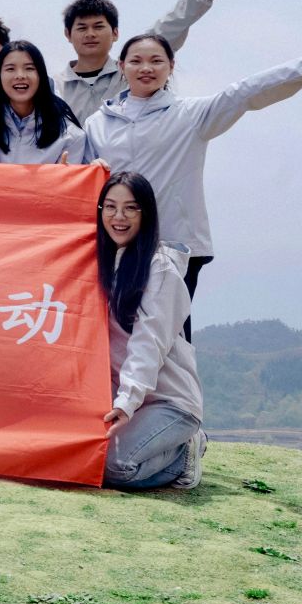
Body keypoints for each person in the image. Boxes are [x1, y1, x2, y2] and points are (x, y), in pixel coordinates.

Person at [83, 28, 302, 326]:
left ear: (171, 66)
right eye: (136, 61)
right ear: (121, 66)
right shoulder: (97, 123)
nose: (146, 68)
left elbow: (245, 92)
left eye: (156, 61)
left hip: (174, 245)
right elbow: (82, 183)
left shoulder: (190, 115)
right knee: (115, 335)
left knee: (171, 339)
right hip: (117, 246)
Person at [57, 0, 239, 116]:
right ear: (68, 34)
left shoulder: (133, 72)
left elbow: (176, 20)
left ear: (115, 33)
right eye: (82, 28)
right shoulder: (52, 87)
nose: (90, 34)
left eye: (98, 26)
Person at [97, 172, 205, 491]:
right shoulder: (98, 262)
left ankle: (184, 452)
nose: (119, 217)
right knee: (83, 455)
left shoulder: (161, 270)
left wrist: (127, 401)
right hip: (120, 396)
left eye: (131, 208)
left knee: (114, 468)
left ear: (146, 213)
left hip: (167, 401)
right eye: (110, 207)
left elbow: (149, 344)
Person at [0, 41, 86, 165]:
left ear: (41, 75)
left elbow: (70, 177)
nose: (20, 75)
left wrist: (64, 173)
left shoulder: (70, 135)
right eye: (10, 69)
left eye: (29, 68)